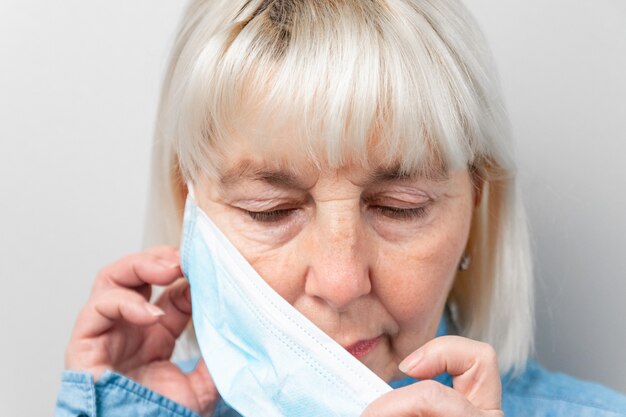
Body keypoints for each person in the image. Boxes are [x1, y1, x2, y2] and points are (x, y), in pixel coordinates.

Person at [55, 0, 626, 416]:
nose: (341, 280)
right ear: (192, 212)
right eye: (269, 210)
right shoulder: (138, 405)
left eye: (400, 207)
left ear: (476, 205)